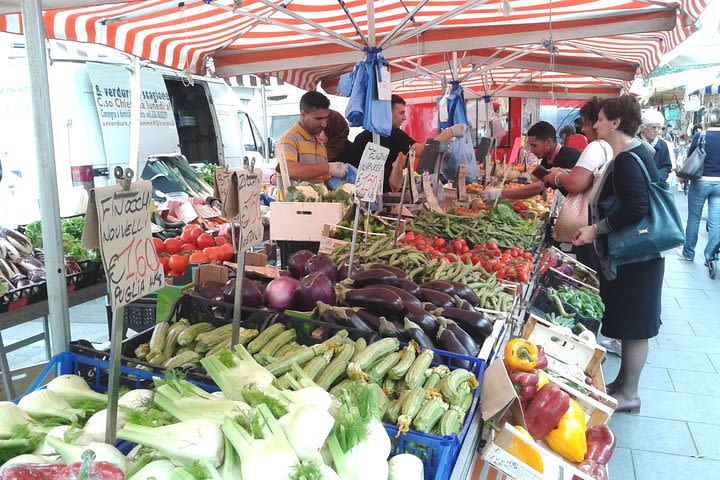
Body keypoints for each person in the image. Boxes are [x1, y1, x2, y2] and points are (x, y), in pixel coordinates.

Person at [572, 95, 666, 413]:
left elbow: (637, 207)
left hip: (637, 257)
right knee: (629, 322)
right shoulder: (633, 151)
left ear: (615, 122)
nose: (595, 124)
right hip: (637, 255)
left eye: (599, 119)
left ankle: (630, 392)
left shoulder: (627, 159)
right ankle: (622, 384)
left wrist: (596, 230)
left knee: (636, 325)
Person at [544, 98, 613, 269]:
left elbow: (576, 183)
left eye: (586, 124)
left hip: (588, 224)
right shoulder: (612, 147)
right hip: (600, 226)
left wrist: (557, 177)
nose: (583, 129)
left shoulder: (596, 147)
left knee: (585, 267)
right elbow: (588, 178)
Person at [349, 94, 465, 193]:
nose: (404, 118)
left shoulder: (361, 136)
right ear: (387, 113)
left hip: (361, 193)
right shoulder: (393, 133)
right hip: (384, 195)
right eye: (401, 113)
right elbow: (421, 151)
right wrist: (450, 132)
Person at [480, 121, 581, 202]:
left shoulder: (568, 156)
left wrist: (499, 193)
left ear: (548, 142)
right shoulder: (547, 158)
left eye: (534, 145)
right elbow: (537, 182)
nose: (531, 150)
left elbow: (537, 187)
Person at [678, 107, 720, 278]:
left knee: (694, 217)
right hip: (719, 184)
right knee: (715, 221)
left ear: (708, 119)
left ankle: (688, 253)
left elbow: (690, 156)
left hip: (700, 181)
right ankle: (710, 256)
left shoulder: (701, 135)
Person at [275, 91, 348, 184]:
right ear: (303, 114)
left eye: (326, 118)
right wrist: (328, 167)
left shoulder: (320, 144)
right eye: (318, 119)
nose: (324, 124)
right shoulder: (289, 139)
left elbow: (324, 181)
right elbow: (288, 169)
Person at [638, 109, 673, 181]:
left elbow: (667, 166)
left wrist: (658, 177)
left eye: (659, 127)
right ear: (643, 128)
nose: (657, 131)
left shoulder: (662, 144)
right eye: (653, 127)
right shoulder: (636, 143)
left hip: (657, 185)